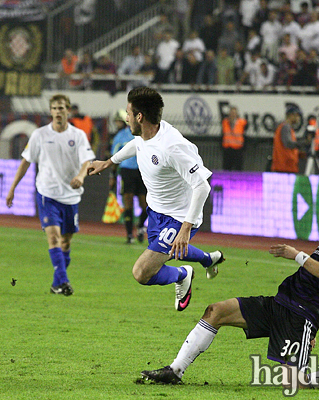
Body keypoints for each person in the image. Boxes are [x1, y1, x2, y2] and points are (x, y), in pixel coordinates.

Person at [141, 189, 319, 392]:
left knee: (295, 382)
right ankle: (174, 371)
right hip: (278, 305)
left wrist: (297, 256)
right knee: (215, 311)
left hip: (299, 317)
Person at [88, 87, 224, 312]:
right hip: (156, 212)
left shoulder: (172, 146)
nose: (127, 117)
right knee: (169, 250)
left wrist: (185, 229)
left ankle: (183, 274)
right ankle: (209, 259)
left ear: (139, 117)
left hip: (178, 218)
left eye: (129, 113)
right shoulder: (145, 134)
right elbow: (137, 145)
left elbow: (202, 186)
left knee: (142, 272)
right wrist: (108, 162)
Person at [6, 94, 95, 296]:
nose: (57, 112)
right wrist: (12, 188)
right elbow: (26, 161)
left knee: (66, 242)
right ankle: (64, 282)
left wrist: (81, 176)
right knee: (53, 238)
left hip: (71, 197)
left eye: (61, 108)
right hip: (47, 194)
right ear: (50, 112)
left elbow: (87, 161)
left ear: (68, 111)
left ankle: (56, 283)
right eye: (54, 108)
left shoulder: (78, 135)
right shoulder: (39, 135)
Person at [110, 109, 148, 244]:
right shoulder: (120, 136)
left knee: (146, 205)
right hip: (126, 171)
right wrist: (112, 176)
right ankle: (129, 235)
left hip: (142, 171)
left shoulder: (143, 133)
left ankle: (140, 226)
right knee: (128, 202)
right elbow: (114, 157)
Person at [271, 106, 310, 173]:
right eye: (297, 116)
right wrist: (304, 143)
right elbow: (288, 144)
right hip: (284, 168)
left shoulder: (284, 127)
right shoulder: (285, 127)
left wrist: (299, 154)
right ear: (292, 115)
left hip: (284, 167)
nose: (298, 119)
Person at [221, 106, 247, 171]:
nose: (233, 114)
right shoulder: (225, 122)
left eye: (234, 113)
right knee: (226, 168)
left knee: (238, 168)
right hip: (227, 149)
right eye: (231, 113)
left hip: (238, 149)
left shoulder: (242, 122)